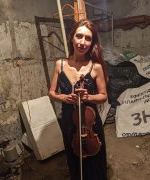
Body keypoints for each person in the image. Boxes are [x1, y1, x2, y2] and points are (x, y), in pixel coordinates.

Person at [48, 19, 108, 180]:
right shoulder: (59, 64)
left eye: (88, 38)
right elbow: (51, 93)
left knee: (95, 160)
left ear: (92, 42)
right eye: (79, 36)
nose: (82, 42)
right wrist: (65, 98)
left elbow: (103, 96)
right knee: (74, 158)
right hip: (69, 120)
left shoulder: (96, 67)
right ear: (72, 38)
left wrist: (89, 97)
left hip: (91, 123)